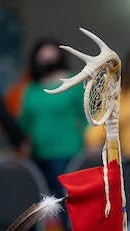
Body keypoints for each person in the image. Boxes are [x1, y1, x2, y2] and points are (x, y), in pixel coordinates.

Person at [17, 39, 86, 197]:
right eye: (42, 57)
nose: (47, 61)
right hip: (37, 157)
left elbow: (88, 117)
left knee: (66, 202)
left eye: (51, 57)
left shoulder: (74, 82)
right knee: (39, 206)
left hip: (67, 154)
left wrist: (91, 144)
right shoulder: (31, 89)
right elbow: (23, 122)